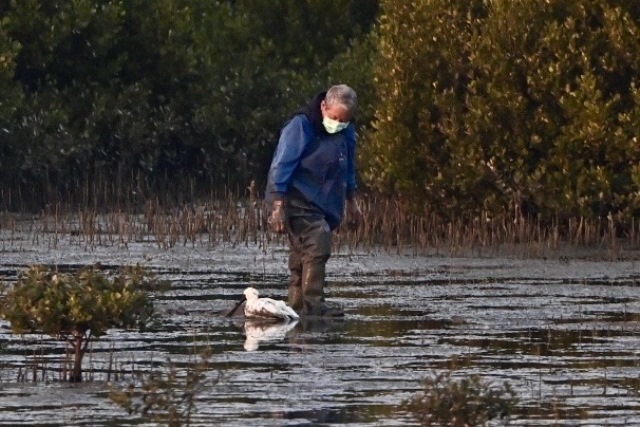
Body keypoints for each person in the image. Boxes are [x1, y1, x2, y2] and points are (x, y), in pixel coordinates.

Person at [265, 84, 363, 317]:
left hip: (326, 203)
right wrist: (278, 207)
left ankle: (296, 308)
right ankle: (313, 304)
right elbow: (281, 167)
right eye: (334, 117)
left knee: (303, 254)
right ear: (323, 106)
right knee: (318, 242)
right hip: (297, 200)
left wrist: (352, 202)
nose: (338, 123)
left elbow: (347, 169)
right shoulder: (300, 126)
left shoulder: (346, 131)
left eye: (345, 120)